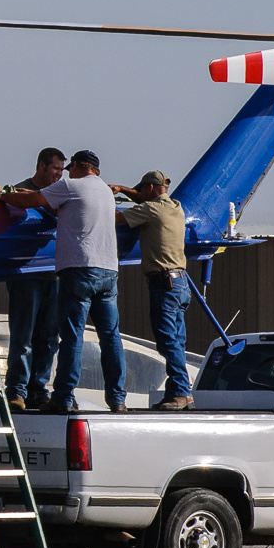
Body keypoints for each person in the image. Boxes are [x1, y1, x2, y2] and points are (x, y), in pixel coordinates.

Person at [0, 149, 125, 413]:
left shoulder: (69, 186)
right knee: (110, 337)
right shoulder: (105, 191)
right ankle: (117, 399)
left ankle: (57, 396)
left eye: (67, 168)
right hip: (107, 271)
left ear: (80, 167)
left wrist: (0, 195)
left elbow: (38, 201)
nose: (63, 173)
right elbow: (49, 204)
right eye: (58, 169)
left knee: (68, 338)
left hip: (77, 271)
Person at [113, 170, 192, 410]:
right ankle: (177, 392)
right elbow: (145, 198)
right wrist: (124, 190)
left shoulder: (150, 210)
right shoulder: (176, 206)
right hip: (181, 283)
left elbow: (118, 218)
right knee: (177, 341)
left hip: (164, 284)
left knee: (167, 341)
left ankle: (181, 392)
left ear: (148, 189)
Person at [0, 148, 66, 413]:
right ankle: (16, 391)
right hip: (26, 275)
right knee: (23, 336)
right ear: (41, 166)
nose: (59, 175)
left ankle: (39, 391)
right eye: (55, 169)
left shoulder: (60, 194)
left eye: (61, 171)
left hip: (54, 275)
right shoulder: (19, 191)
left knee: (49, 338)